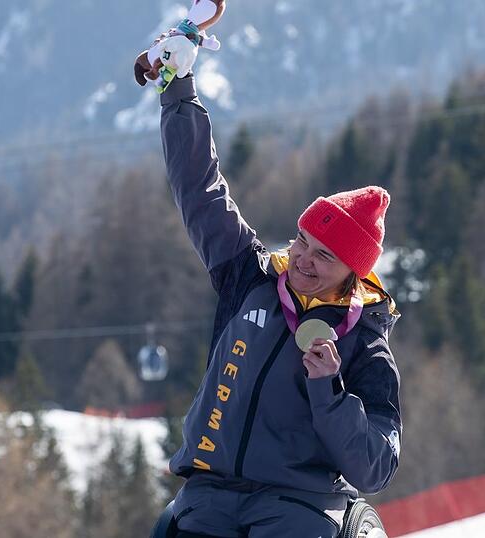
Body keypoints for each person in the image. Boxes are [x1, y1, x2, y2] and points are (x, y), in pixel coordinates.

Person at [155, 46, 402, 538]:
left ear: (353, 274)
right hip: (209, 495)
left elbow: (375, 467)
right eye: (302, 241)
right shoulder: (250, 277)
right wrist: (177, 90)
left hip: (299, 507)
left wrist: (329, 391)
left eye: (324, 256)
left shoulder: (366, 345)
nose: (304, 260)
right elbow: (201, 191)